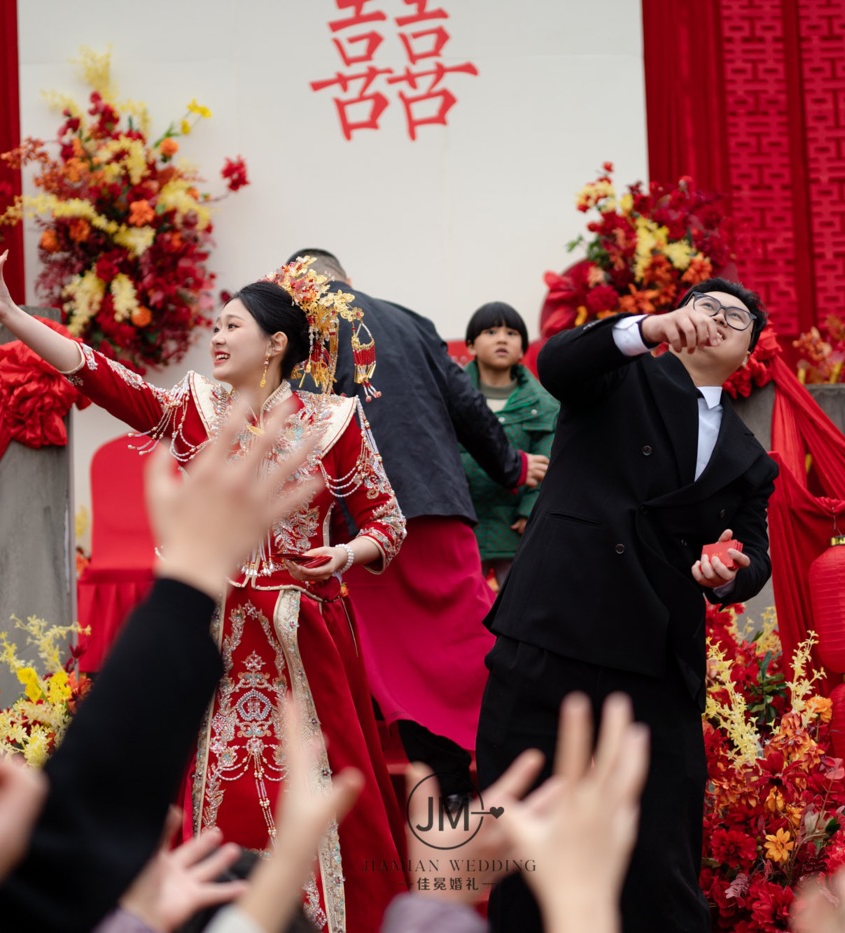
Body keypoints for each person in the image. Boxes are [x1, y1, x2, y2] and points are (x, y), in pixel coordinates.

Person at [0, 253, 408, 933]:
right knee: (210, 784)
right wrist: (12, 316)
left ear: (275, 343)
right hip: (213, 634)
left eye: (232, 326)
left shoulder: (336, 419)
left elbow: (387, 523)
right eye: (216, 325)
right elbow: (100, 375)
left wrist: (343, 553)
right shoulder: (194, 406)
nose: (216, 337)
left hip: (302, 639)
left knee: (320, 784)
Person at [475, 279, 779, 933]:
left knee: (662, 859)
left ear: (750, 350)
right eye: (706, 306)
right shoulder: (620, 373)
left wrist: (727, 574)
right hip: (554, 626)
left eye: (737, 318)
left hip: (656, 656)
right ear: (679, 317)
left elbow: (755, 553)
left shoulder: (750, 459)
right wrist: (647, 328)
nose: (718, 319)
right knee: (523, 838)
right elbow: (556, 362)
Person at [291, 249, 548, 807]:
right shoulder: (407, 319)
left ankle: (447, 785)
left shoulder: (299, 327)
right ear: (347, 279)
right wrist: (512, 466)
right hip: (438, 500)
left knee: (398, 660)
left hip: (364, 519)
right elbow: (466, 404)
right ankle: (529, 754)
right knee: (467, 637)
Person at [459, 302, 558, 588]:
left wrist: (531, 510)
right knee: (464, 604)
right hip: (463, 523)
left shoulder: (545, 405)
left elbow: (550, 462)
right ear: (471, 345)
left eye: (512, 333)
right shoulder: (450, 400)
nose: (502, 339)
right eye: (491, 332)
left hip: (517, 528)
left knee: (520, 601)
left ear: (523, 349)